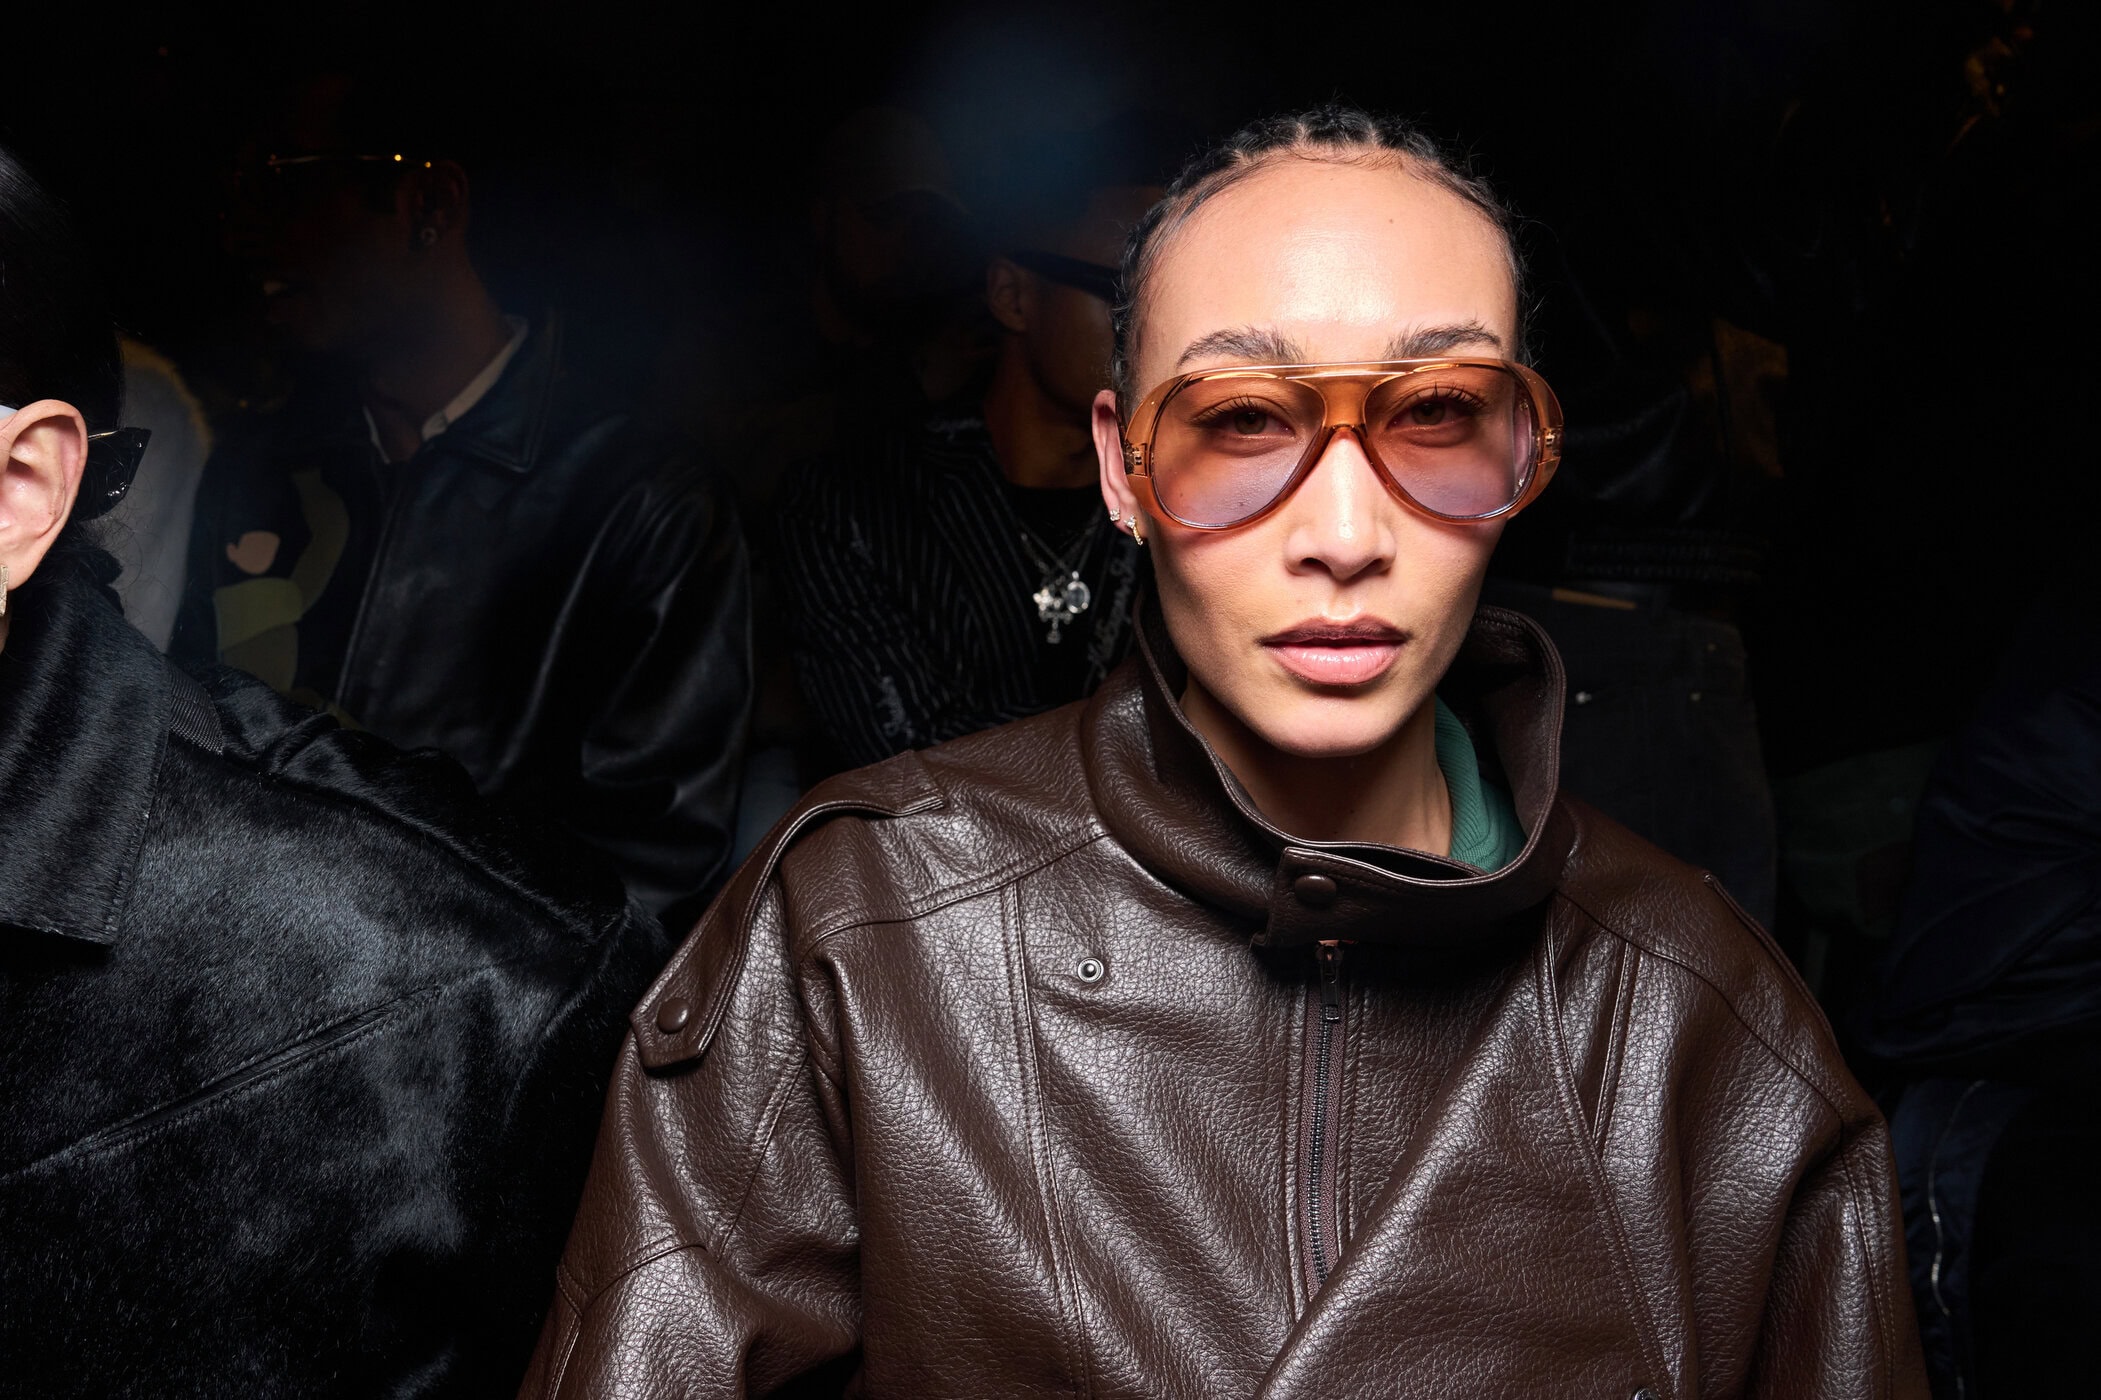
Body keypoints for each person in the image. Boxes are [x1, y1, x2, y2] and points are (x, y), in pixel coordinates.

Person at [523, 108, 1925, 1397]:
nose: (1344, 535)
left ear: (1519, 458)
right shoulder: (860, 940)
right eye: (1244, 419)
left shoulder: (1704, 1026)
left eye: (1434, 412)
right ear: (1124, 468)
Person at [0, 147, 670, 1395]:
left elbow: (654, 853)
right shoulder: (274, 460)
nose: (257, 231)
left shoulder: (466, 993)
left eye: (298, 185)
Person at [174, 72, 751, 929]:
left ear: (429, 205)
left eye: (289, 182)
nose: (247, 231)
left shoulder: (639, 501)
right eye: (242, 189)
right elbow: (181, 752)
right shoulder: (256, 463)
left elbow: (644, 892)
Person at [775, 154, 1156, 771]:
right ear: (1011, 295)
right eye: (1121, 293)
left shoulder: (1189, 494)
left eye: (1170, 296)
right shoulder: (855, 505)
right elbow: (905, 762)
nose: (1155, 327)